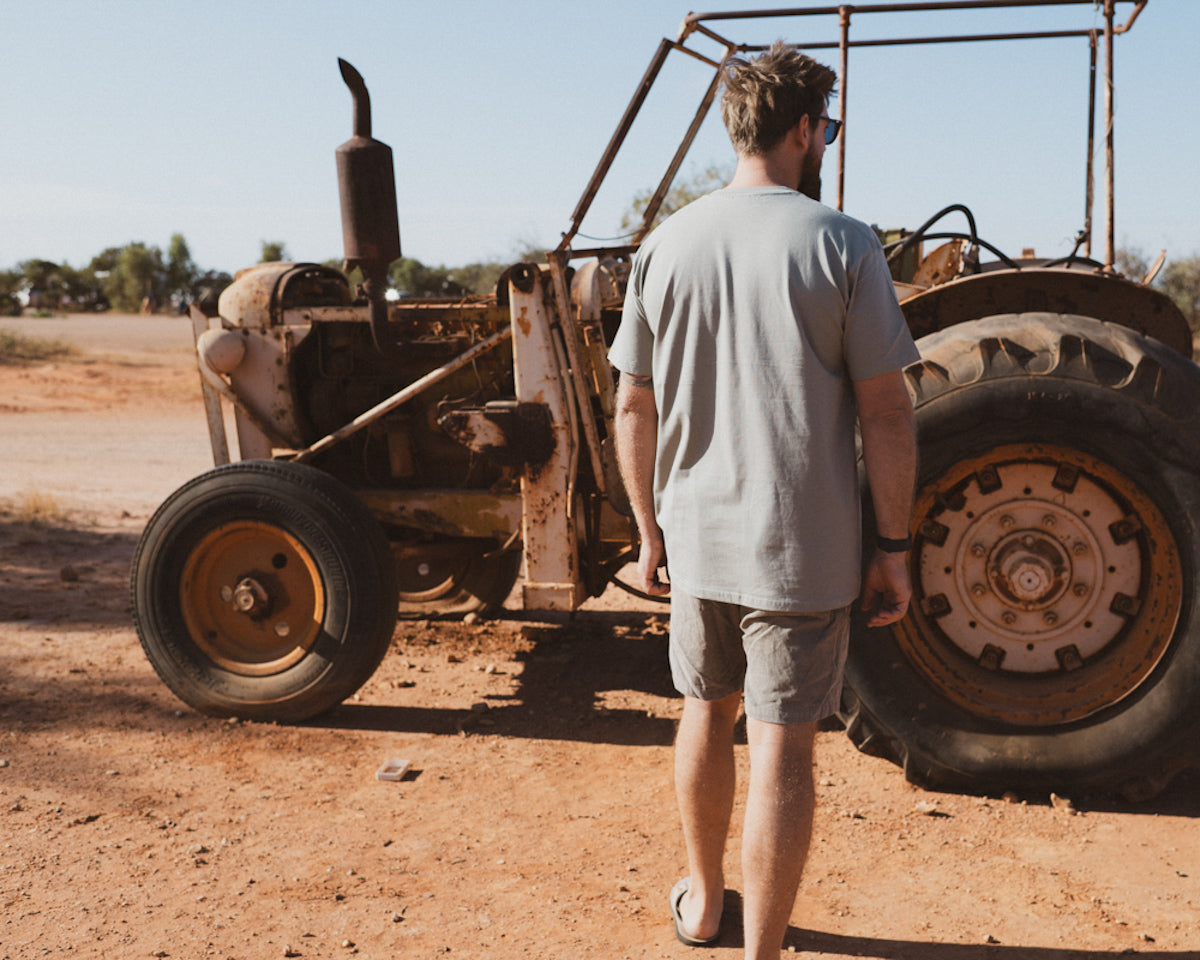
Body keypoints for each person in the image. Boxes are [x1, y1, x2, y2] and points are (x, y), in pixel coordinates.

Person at [607, 42, 920, 959]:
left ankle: (704, 905)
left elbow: (633, 402)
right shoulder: (841, 241)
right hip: (804, 544)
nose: (824, 139)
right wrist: (893, 545)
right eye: (825, 125)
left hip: (699, 535)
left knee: (705, 710)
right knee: (783, 746)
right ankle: (762, 952)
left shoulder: (665, 245)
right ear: (802, 129)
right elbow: (888, 414)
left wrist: (647, 530)